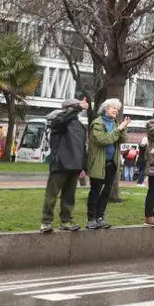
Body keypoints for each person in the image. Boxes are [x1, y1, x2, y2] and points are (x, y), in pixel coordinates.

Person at [40, 98, 88, 233]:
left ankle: (66, 221)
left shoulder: (80, 126)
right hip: (60, 164)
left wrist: (83, 168)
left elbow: (82, 148)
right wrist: (79, 107)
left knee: (69, 196)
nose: (78, 109)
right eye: (75, 107)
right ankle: (46, 222)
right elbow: (63, 121)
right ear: (68, 108)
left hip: (75, 166)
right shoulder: (58, 120)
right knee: (51, 195)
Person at [86, 99, 130, 229]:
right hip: (99, 163)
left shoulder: (116, 123)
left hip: (112, 163)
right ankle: (91, 219)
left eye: (117, 108)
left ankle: (100, 217)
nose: (116, 110)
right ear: (105, 109)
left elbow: (123, 139)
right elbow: (103, 140)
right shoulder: (97, 123)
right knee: (95, 191)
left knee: (106, 192)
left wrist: (124, 128)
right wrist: (119, 129)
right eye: (113, 108)